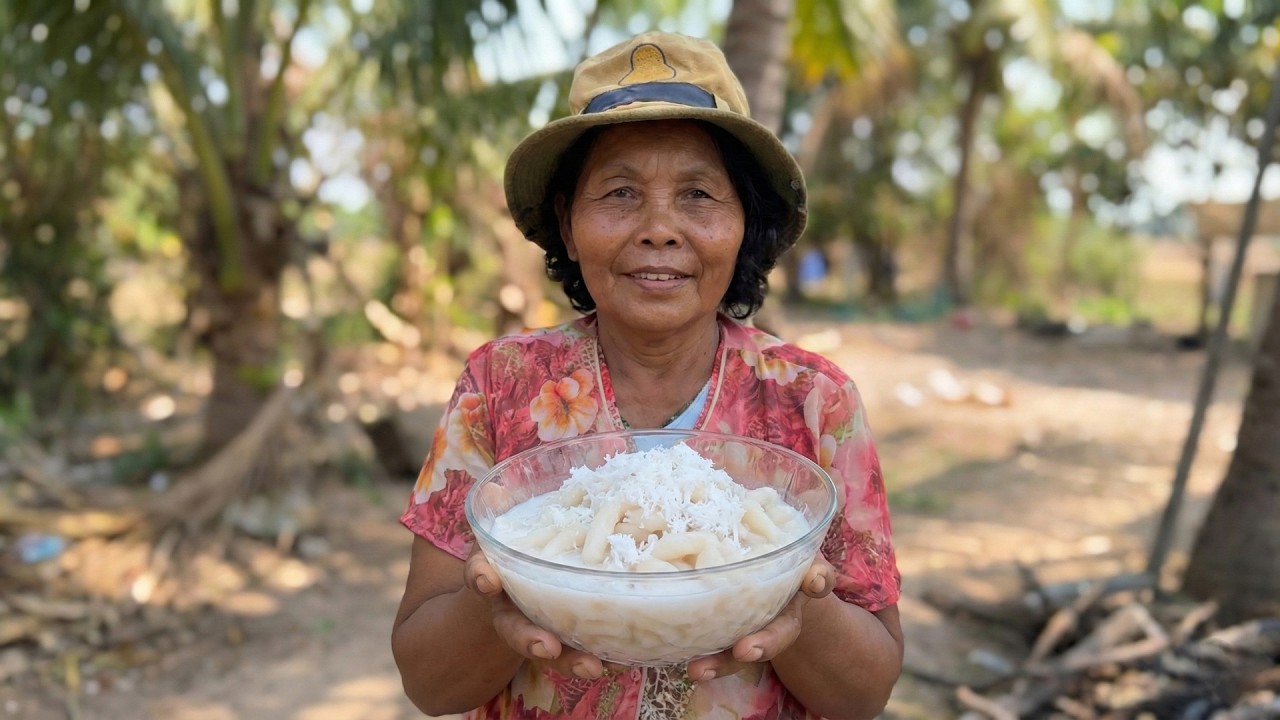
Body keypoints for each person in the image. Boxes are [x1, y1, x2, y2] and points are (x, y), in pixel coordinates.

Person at [392, 31, 902, 720]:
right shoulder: (501, 384)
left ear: (744, 223)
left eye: (698, 194)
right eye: (620, 192)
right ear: (570, 228)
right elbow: (428, 685)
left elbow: (865, 694)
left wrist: (784, 594)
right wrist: (502, 603)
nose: (660, 228)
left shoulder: (813, 399)